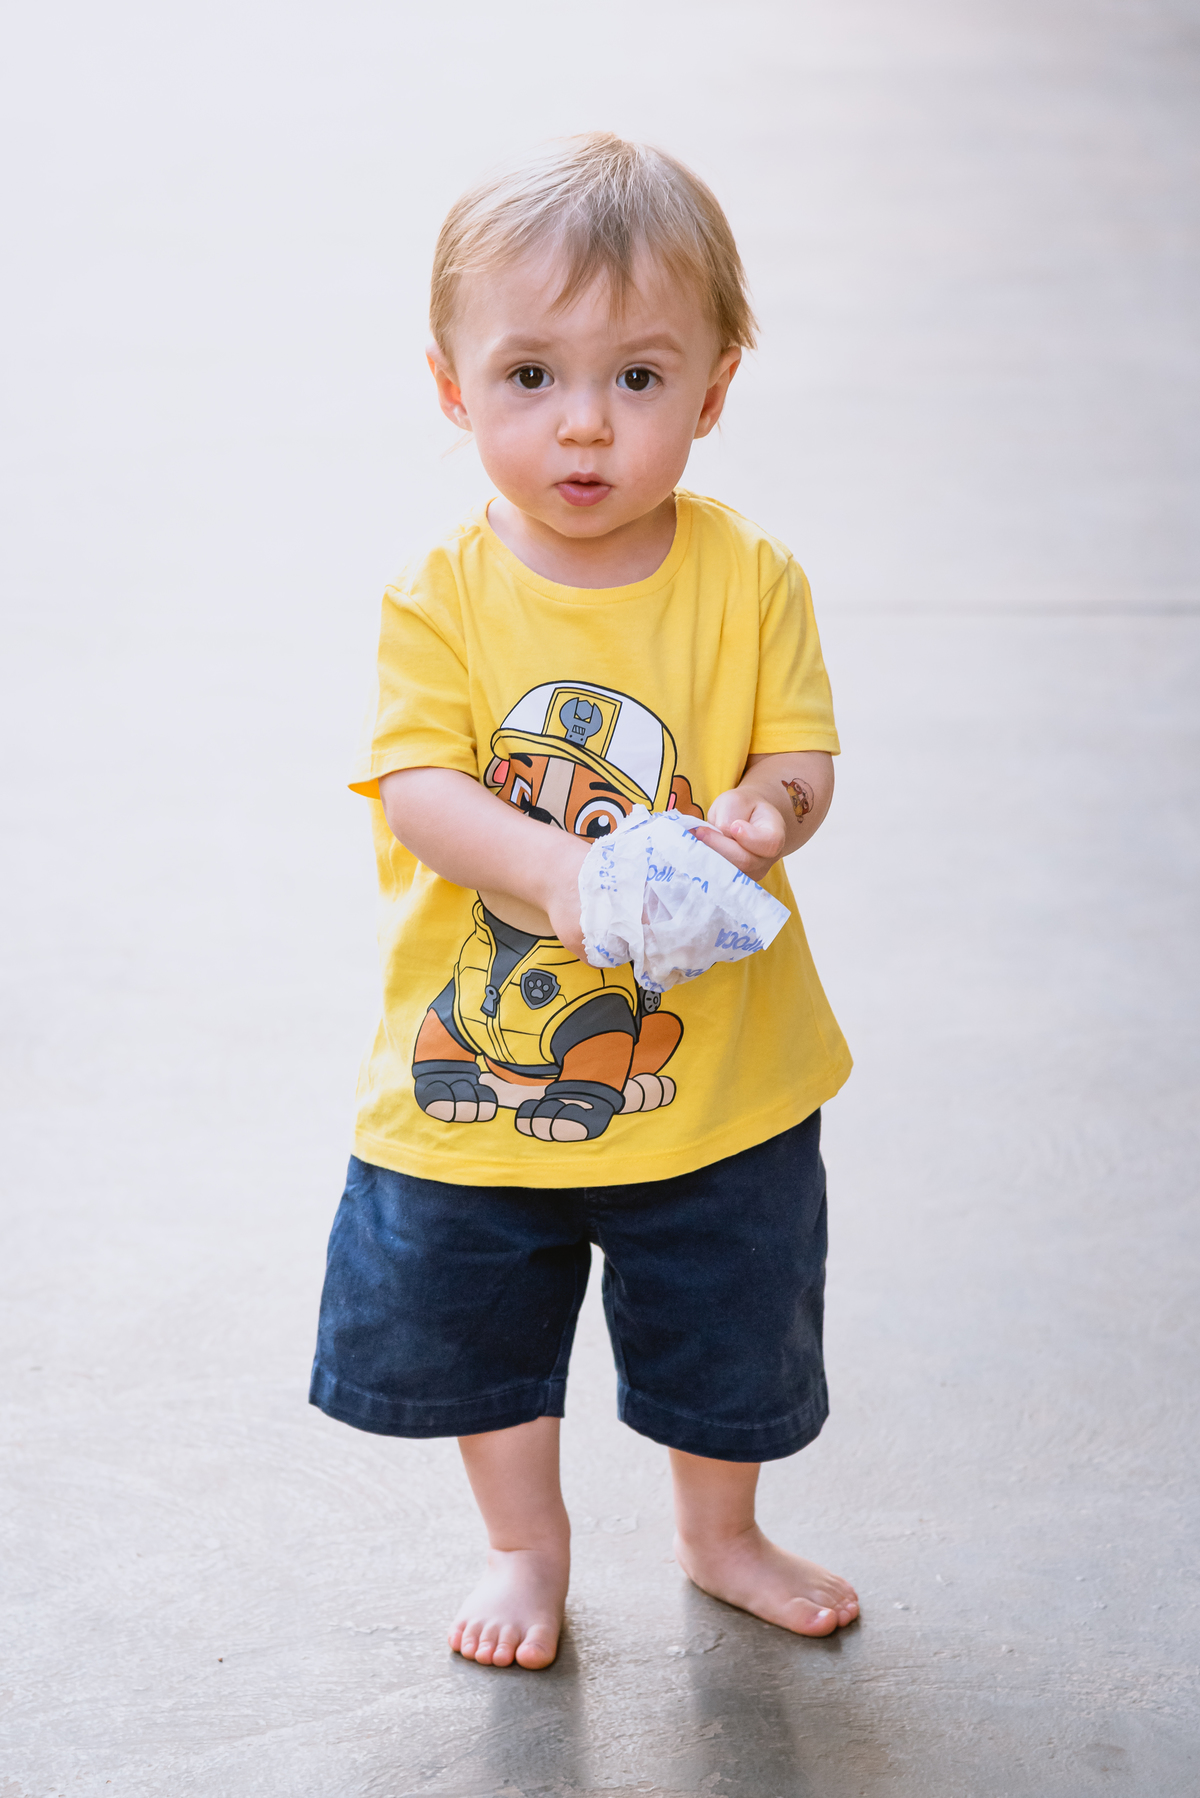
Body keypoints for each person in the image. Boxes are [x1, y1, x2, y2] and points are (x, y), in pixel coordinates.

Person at [310, 133, 859, 1670]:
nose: (585, 424)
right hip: (483, 1061)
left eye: (638, 377)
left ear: (715, 390)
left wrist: (761, 815)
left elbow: (800, 754)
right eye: (531, 375)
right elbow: (419, 786)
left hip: (718, 1074)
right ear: (452, 388)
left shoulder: (751, 578)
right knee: (482, 1325)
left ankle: (718, 1530)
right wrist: (565, 872)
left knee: (729, 1322)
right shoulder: (439, 597)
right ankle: (524, 1543)